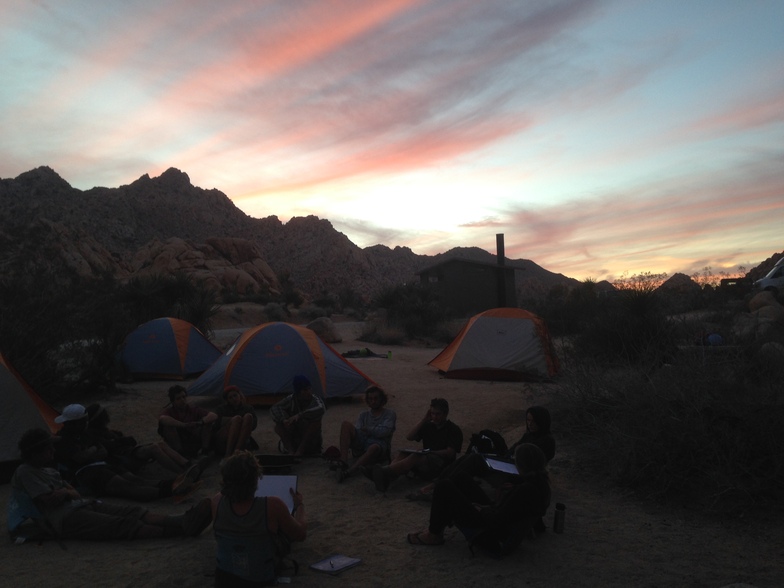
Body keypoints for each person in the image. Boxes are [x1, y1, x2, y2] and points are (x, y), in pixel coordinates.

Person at [11, 428, 213, 540]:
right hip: (64, 519)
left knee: (132, 511)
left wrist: (64, 492)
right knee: (122, 525)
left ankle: (181, 519)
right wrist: (66, 492)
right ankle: (181, 531)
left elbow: (71, 493)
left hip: (79, 505)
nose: (52, 453)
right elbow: (50, 501)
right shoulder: (25, 472)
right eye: (48, 450)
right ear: (35, 453)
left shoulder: (47, 469)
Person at [406, 443, 551, 548]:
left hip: (492, 532)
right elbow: (525, 512)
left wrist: (481, 509)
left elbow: (497, 519)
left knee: (444, 486)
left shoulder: (525, 490)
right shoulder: (540, 484)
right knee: (461, 477)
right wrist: (504, 497)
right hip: (497, 518)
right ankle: (439, 525)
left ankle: (433, 535)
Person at [408, 405, 555, 501]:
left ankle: (438, 488)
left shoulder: (546, 441)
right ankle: (437, 485)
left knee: (474, 460)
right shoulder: (529, 435)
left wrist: (509, 459)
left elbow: (534, 465)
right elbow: (513, 450)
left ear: (542, 421)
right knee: (469, 458)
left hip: (518, 474)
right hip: (508, 465)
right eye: (528, 421)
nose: (530, 424)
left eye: (534, 421)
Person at [55, 404, 199, 502]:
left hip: (103, 464)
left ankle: (176, 483)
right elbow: (81, 458)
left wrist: (90, 452)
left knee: (137, 480)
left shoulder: (84, 434)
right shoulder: (63, 439)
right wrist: (93, 451)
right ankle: (173, 491)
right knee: (127, 486)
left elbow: (103, 452)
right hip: (87, 473)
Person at [212, 451, 306, 587]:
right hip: (260, 580)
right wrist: (300, 506)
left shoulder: (216, 502)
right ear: (256, 479)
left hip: (224, 580)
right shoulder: (272, 505)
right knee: (281, 531)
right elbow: (301, 534)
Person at [371, 397, 462, 492]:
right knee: (404, 454)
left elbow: (450, 453)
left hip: (441, 464)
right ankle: (386, 475)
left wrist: (430, 452)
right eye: (432, 413)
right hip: (427, 458)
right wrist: (424, 420)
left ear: (445, 414)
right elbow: (409, 437)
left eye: (438, 414)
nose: (434, 417)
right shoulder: (428, 426)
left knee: (416, 456)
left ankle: (384, 472)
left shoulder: (453, 429)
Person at [85, 403, 199, 475]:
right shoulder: (95, 435)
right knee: (154, 448)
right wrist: (119, 440)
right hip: (124, 457)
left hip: (128, 451)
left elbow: (125, 440)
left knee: (160, 444)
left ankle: (187, 464)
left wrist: (118, 439)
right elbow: (115, 445)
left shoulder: (105, 430)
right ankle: (181, 473)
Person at [335, 386, 396, 482]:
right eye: (370, 399)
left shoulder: (389, 414)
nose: (373, 401)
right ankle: (343, 461)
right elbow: (359, 429)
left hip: (380, 444)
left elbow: (385, 431)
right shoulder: (364, 415)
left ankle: (349, 472)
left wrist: (368, 430)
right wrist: (370, 431)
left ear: (382, 399)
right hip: (364, 440)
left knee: (374, 447)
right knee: (346, 425)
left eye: (376, 398)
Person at [270, 376, 325, 457]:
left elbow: (321, 408)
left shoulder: (315, 399)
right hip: (295, 436)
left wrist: (300, 415)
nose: (309, 392)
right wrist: (284, 420)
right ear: (298, 392)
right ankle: (290, 450)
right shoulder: (291, 399)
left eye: (309, 389)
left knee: (316, 422)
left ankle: (300, 451)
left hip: (311, 442)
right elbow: (274, 408)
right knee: (278, 426)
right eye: (305, 390)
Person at [159, 385, 219, 458]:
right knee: (168, 427)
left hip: (193, 438)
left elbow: (213, 415)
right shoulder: (170, 411)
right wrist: (183, 425)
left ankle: (205, 450)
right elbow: (162, 419)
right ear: (173, 401)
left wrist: (200, 422)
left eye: (184, 397)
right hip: (179, 440)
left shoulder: (192, 409)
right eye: (178, 398)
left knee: (208, 423)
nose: (182, 400)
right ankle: (180, 453)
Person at [213, 386, 258, 461]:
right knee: (237, 419)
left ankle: (235, 452)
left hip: (241, 437)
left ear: (240, 395)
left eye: (235, 395)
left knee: (248, 416)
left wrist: (243, 424)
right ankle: (228, 454)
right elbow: (216, 425)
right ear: (227, 400)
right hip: (224, 438)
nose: (234, 399)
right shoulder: (221, 409)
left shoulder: (248, 408)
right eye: (230, 398)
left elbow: (253, 425)